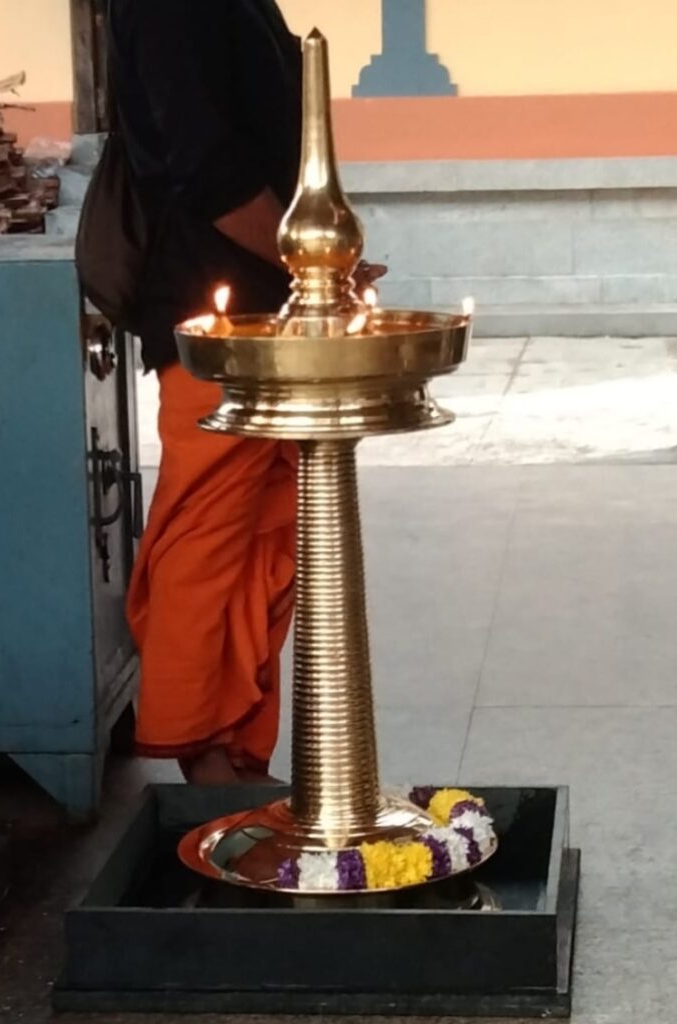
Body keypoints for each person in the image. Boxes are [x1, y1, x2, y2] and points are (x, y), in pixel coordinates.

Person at [109, 0, 385, 784]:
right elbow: (208, 169)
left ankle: (240, 747)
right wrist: (315, 264)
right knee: (208, 535)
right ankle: (196, 748)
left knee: (268, 531)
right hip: (211, 313)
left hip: (272, 308)